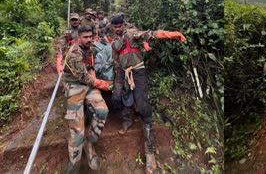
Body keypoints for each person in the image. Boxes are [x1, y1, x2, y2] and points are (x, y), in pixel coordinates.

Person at [110, 15, 186, 173]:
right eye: (115, 26)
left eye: (120, 26)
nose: (118, 28)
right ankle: (126, 120)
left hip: (138, 70)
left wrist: (172, 34)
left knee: (142, 104)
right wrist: (118, 78)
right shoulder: (113, 43)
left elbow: (150, 34)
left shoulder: (132, 33)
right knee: (118, 97)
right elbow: (116, 61)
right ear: (112, 27)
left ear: (123, 25)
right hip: (123, 72)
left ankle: (150, 149)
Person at [62, 25, 111, 172]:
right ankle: (74, 165)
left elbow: (91, 67)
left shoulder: (90, 48)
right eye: (85, 37)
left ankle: (89, 143)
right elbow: (83, 76)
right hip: (74, 87)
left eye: (91, 36)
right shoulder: (74, 53)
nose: (89, 39)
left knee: (102, 111)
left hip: (88, 84)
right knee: (77, 134)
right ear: (78, 38)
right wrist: (102, 84)